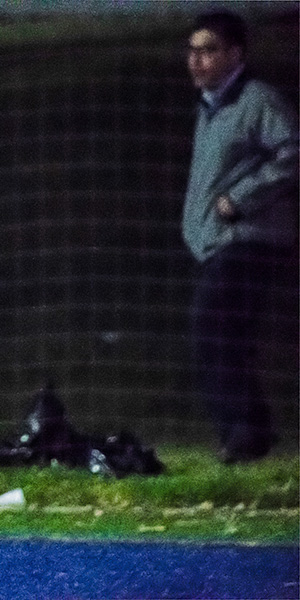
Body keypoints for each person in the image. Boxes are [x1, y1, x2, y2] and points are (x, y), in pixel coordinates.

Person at [181, 11, 298, 463]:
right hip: (218, 242)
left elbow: (293, 152)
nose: (197, 60)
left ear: (236, 54)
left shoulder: (257, 101)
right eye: (192, 50)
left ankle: (243, 432)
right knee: (229, 335)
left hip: (250, 239)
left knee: (210, 329)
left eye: (208, 50)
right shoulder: (210, 108)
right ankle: (253, 431)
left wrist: (241, 198)